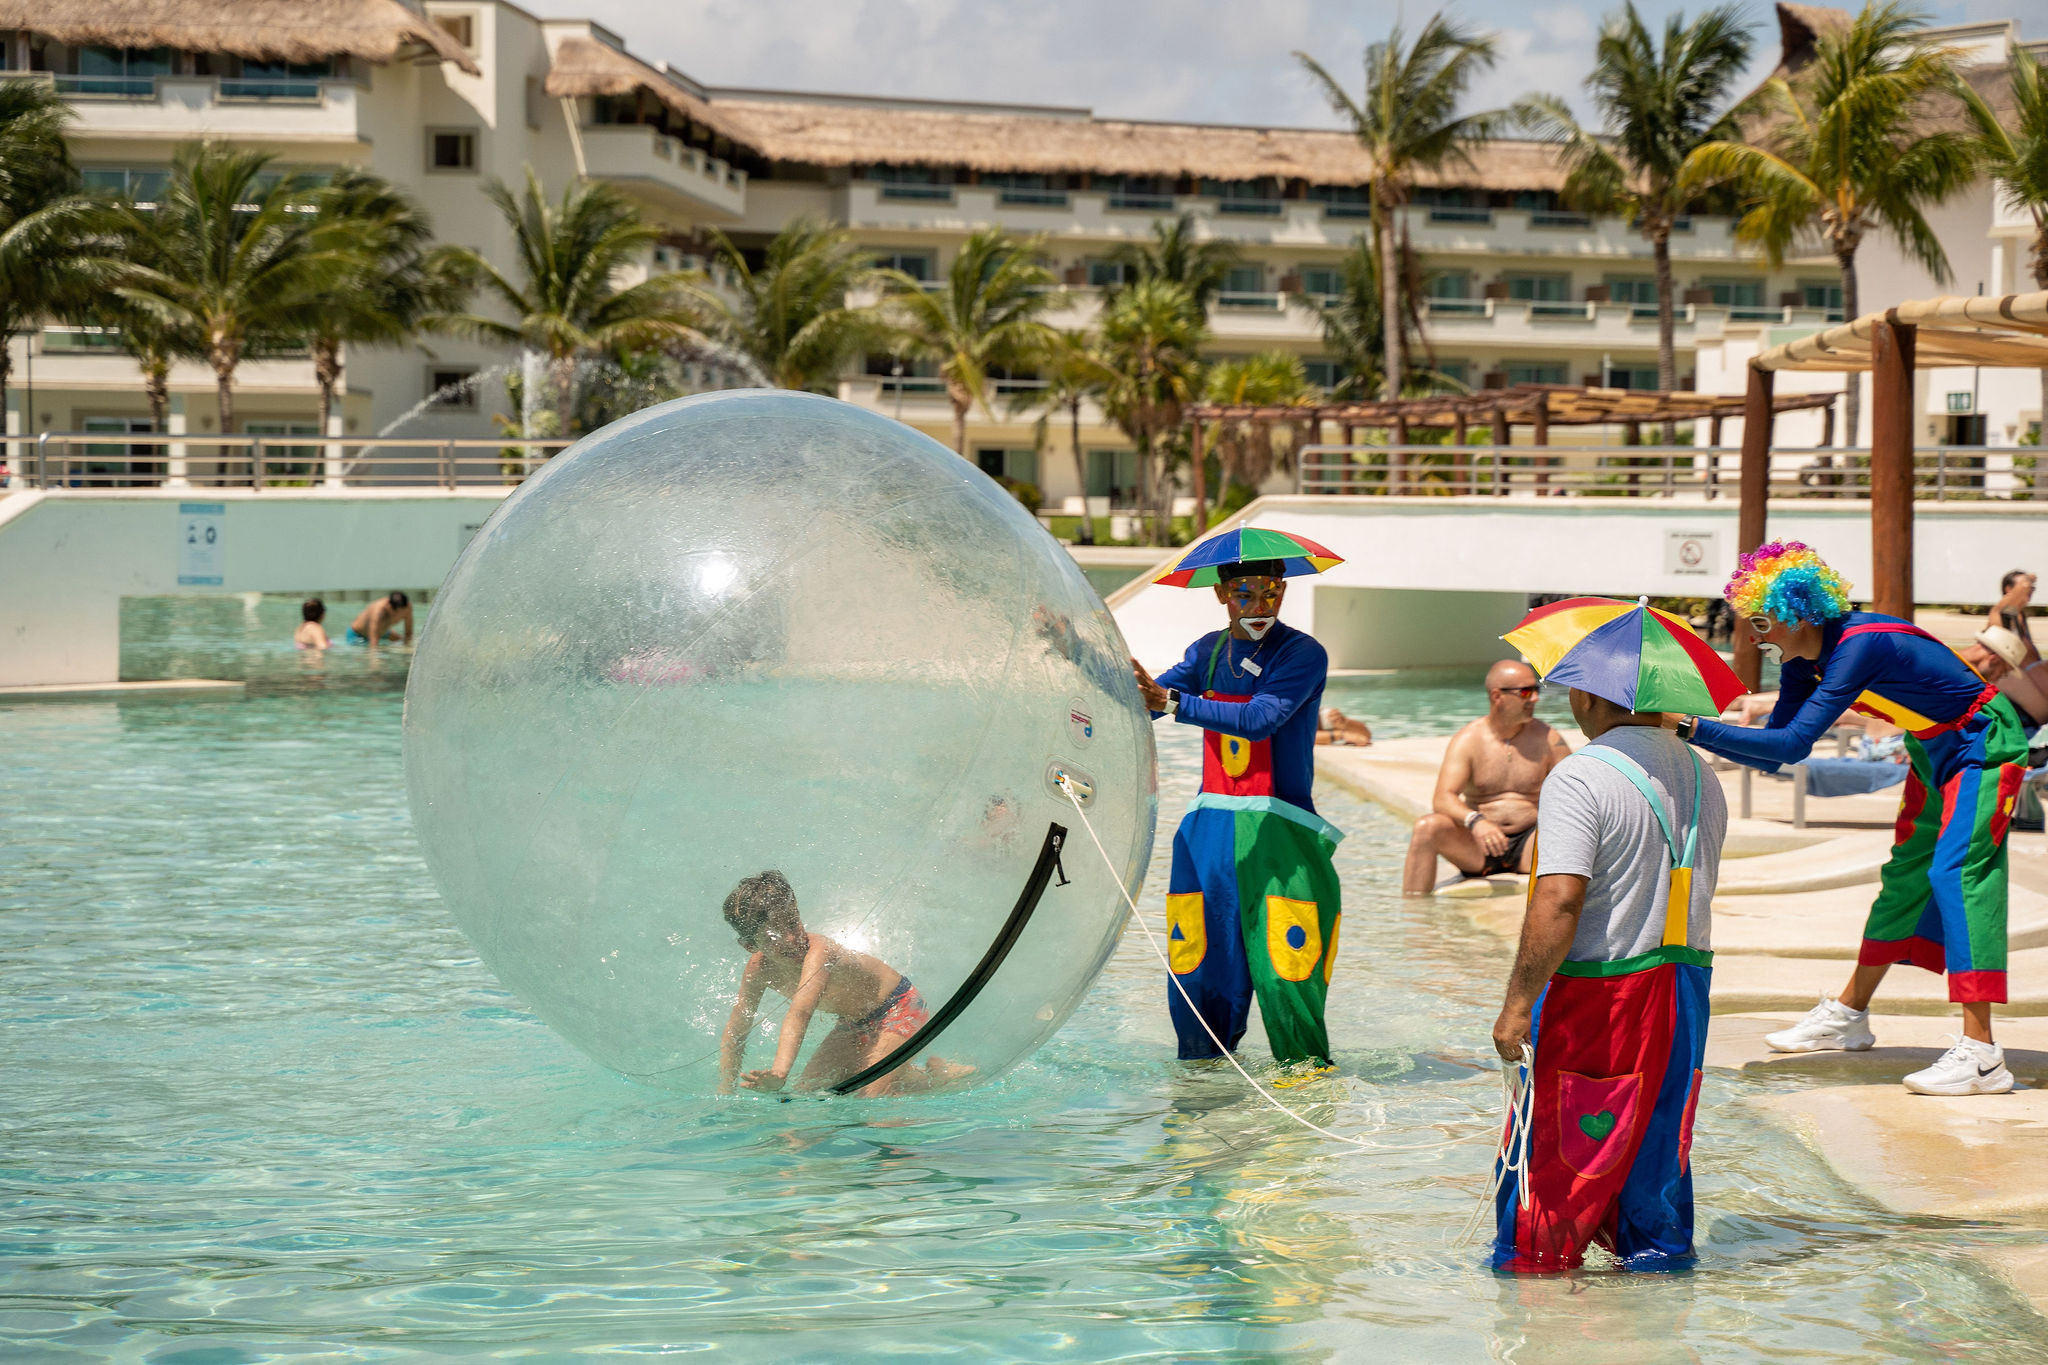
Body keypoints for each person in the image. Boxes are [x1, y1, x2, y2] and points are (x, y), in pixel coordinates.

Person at [1671, 541, 2030, 1095]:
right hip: (1933, 749)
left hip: (1984, 742)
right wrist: (1682, 730)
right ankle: (1850, 1015)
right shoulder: (1801, 661)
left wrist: (1688, 726)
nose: (1754, 636)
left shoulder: (1858, 646)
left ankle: (1983, 1056)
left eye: (1762, 621)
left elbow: (1789, 741)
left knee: (1957, 876)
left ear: (1797, 612)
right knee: (1904, 880)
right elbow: (1782, 751)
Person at [1490, 683, 1727, 1272]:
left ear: (1595, 696)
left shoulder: (1581, 775)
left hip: (1600, 991)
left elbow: (1560, 900)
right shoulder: (1701, 775)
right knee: (1658, 1151)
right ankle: (1656, 1296)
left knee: (1552, 1161)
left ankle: (1534, 1302)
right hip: (1683, 989)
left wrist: (1516, 1004)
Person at [1131, 560, 1342, 1068]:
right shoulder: (1208, 651)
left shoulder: (1301, 653)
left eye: (1270, 593)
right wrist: (1075, 654)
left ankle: (1306, 1090)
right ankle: (1202, 1090)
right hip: (1208, 833)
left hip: (1279, 834)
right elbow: (1146, 701)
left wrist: (1174, 702)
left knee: (1286, 970)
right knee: (1198, 969)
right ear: (1222, 594)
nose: (1259, 607)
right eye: (1245, 594)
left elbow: (1260, 719)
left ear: (1284, 591)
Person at [715, 871, 970, 1097]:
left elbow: (800, 1012)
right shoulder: (758, 970)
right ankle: (926, 1073)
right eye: (775, 936)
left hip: (898, 1007)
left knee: (870, 1094)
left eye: (793, 923)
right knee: (810, 1093)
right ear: (751, 946)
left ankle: (936, 1078)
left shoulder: (818, 952)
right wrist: (725, 1091)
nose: (791, 939)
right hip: (853, 1023)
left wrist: (780, 1072)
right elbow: (737, 1028)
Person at [1402, 661, 1570, 896]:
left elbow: (1575, 793)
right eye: (1525, 692)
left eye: (1536, 691)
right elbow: (1442, 798)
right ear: (1497, 696)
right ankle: (1414, 916)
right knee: (1426, 828)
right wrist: (1476, 821)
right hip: (1477, 847)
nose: (1534, 699)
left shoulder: (1549, 739)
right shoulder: (1468, 740)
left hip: (1531, 844)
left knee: (1567, 829)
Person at [1988, 570, 2036, 655]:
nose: (2030, 590)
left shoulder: (2020, 614)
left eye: (2032, 588)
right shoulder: (2002, 610)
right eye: (2026, 586)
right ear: (2009, 589)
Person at [347, 591, 412, 645]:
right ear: (389, 605)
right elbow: (373, 639)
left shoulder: (407, 608)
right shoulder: (378, 611)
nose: (397, 615)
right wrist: (375, 659)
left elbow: (408, 633)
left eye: (400, 612)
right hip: (357, 635)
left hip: (382, 631)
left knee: (401, 640)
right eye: (395, 612)